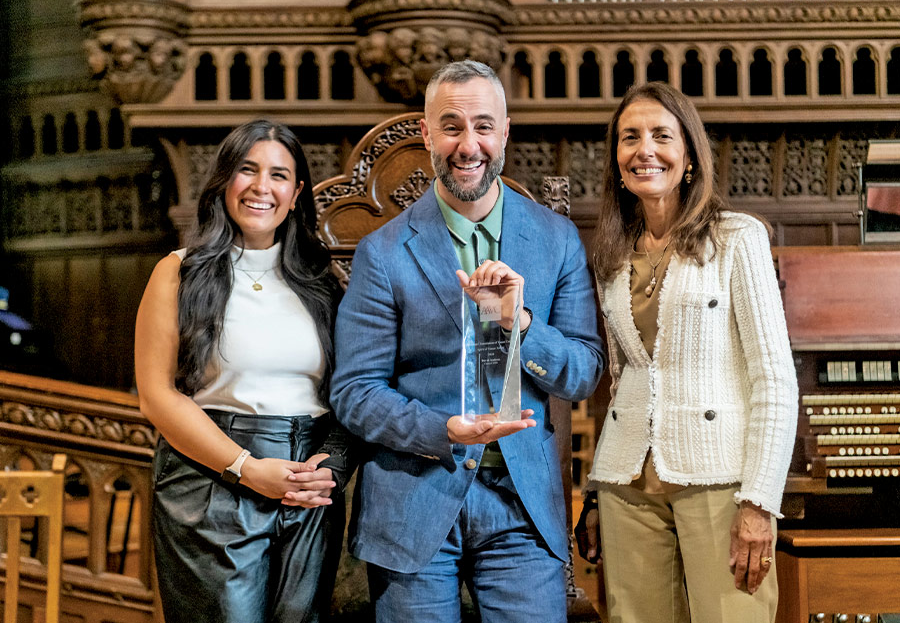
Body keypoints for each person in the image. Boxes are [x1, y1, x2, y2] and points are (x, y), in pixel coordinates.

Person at [330, 60, 605, 623]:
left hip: (520, 502)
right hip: (414, 495)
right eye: (451, 126)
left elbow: (583, 372)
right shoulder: (382, 253)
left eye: (483, 125)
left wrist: (522, 324)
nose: (468, 144)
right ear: (427, 135)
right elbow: (356, 391)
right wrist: (442, 430)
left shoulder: (555, 240)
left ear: (505, 131)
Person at [575, 82, 798, 623]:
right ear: (616, 159)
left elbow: (773, 378)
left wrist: (758, 503)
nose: (643, 150)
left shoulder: (736, 238)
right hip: (630, 489)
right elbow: (624, 378)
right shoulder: (611, 253)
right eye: (630, 138)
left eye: (660, 136)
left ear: (689, 155)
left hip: (719, 484)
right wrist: (600, 491)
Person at [134, 119, 354, 623]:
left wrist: (330, 468)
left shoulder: (321, 282)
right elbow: (156, 395)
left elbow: (350, 390)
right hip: (211, 479)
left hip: (306, 482)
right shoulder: (179, 271)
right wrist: (248, 469)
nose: (261, 187)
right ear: (223, 182)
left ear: (297, 193)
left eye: (279, 175)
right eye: (247, 170)